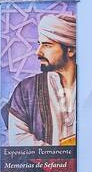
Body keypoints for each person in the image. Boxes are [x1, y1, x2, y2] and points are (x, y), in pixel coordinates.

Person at [5, 13, 77, 146]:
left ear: (70, 50)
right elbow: (18, 139)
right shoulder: (26, 90)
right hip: (44, 167)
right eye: (40, 44)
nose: (38, 52)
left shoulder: (88, 86)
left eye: (47, 45)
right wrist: (58, 160)